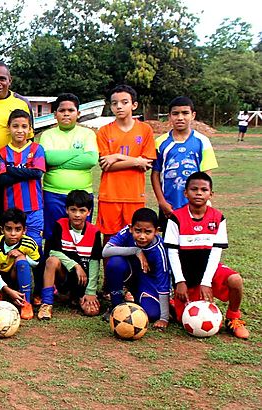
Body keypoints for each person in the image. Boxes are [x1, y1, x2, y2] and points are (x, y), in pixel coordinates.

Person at [164, 172, 249, 339]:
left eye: (204, 189)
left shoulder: (218, 218)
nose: (198, 193)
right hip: (187, 275)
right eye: (194, 189)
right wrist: (180, 281)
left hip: (209, 271)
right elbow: (172, 252)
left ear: (211, 194)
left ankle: (233, 317)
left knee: (235, 280)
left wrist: (206, 282)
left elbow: (216, 251)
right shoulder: (176, 218)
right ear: (185, 193)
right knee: (185, 319)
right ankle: (175, 303)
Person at [95, 85, 156, 240]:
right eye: (114, 103)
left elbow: (147, 164)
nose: (119, 106)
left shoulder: (145, 130)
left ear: (134, 105)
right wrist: (137, 161)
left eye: (124, 102)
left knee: (135, 239)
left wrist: (116, 156)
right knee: (110, 240)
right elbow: (106, 165)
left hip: (134, 195)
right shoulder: (104, 131)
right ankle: (110, 266)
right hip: (109, 196)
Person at [39, 93, 99, 243]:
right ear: (55, 114)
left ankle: (79, 265)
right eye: (62, 110)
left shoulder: (87, 134)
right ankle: (51, 264)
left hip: (83, 193)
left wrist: (58, 164)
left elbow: (91, 159)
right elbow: (48, 158)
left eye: (71, 110)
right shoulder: (47, 135)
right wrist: (77, 152)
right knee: (54, 235)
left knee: (80, 235)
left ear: (78, 113)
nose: (66, 113)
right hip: (53, 193)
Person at [152, 96, 218, 231]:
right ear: (169, 116)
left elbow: (206, 176)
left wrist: (203, 201)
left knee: (194, 242)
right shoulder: (160, 142)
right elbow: (155, 175)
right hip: (169, 206)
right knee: (169, 245)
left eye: (185, 113)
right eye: (175, 113)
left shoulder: (202, 141)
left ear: (193, 115)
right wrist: (162, 202)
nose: (180, 117)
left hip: (195, 206)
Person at [38, 190, 103, 320]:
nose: (77, 215)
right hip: (65, 276)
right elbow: (52, 251)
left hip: (82, 282)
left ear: (89, 212)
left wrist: (91, 292)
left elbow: (95, 262)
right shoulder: (60, 225)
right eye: (73, 210)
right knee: (52, 261)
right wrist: (75, 266)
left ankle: (75, 297)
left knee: (91, 312)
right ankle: (47, 303)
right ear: (67, 210)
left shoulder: (94, 232)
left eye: (82, 210)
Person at [102, 208, 170, 328]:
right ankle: (116, 306)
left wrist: (164, 318)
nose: (142, 236)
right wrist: (136, 251)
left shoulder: (159, 251)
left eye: (147, 232)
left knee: (152, 314)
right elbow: (106, 251)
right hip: (130, 272)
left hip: (148, 281)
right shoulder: (126, 232)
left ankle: (134, 300)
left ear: (156, 231)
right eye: (138, 231)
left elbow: (163, 282)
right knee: (115, 263)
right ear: (131, 228)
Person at [0, 109, 45, 248]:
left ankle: (37, 271)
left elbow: (37, 174)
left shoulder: (36, 149)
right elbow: (2, 180)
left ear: (30, 129)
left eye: (24, 127)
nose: (20, 130)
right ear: (8, 128)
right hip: (11, 209)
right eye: (15, 126)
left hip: (34, 208)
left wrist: (10, 169)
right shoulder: (2, 152)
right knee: (12, 247)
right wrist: (27, 170)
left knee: (35, 247)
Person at [0, 208, 40, 320]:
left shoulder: (29, 243)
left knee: (22, 261)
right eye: (8, 229)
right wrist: (7, 290)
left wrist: (22, 255)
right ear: (2, 230)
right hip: (0, 277)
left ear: (24, 230)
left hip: (16, 275)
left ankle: (26, 302)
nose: (13, 234)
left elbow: (36, 263)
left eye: (18, 229)